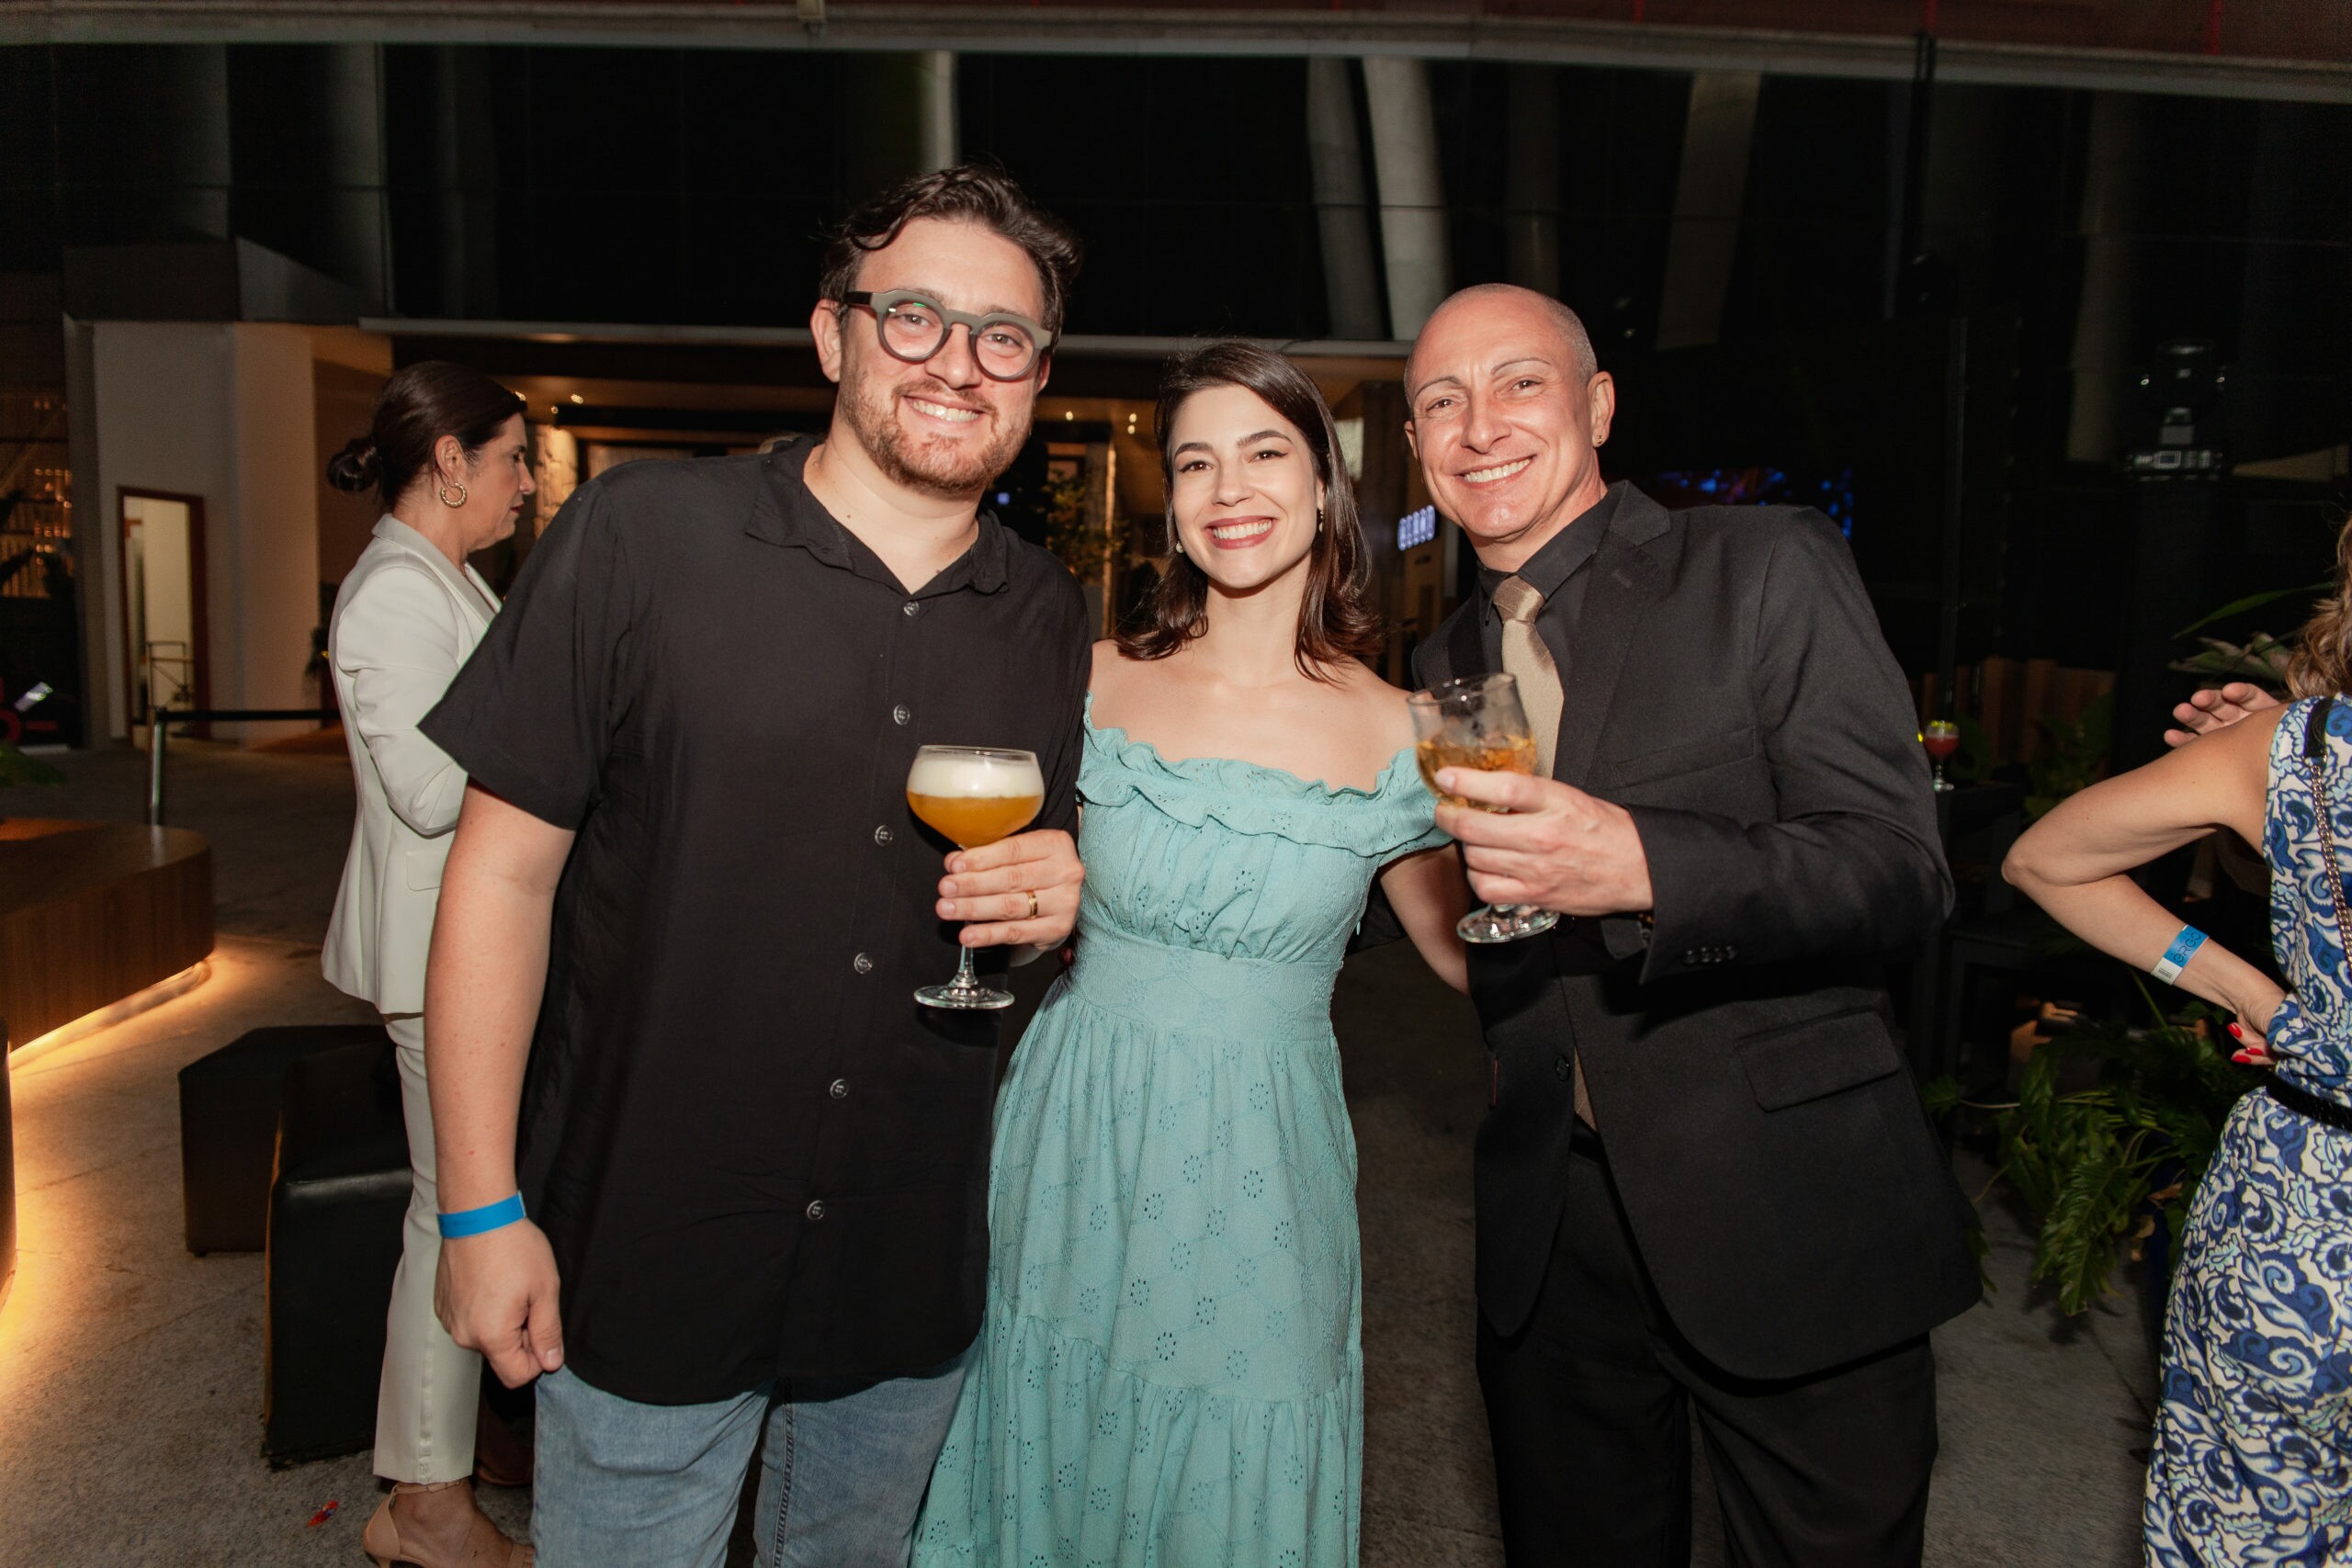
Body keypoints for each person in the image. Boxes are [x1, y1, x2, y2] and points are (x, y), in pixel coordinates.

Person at [414, 166, 1092, 1567]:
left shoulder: (1045, 612)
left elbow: (1028, 899)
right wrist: (481, 1206)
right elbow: (497, 880)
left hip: (901, 1263)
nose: (959, 363)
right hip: (654, 1238)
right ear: (831, 334)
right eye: (914, 316)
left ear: (1037, 375)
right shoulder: (642, 539)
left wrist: (1050, 914)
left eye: (1003, 335)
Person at [1405, 284, 1981, 1565]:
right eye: (1441, 400)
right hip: (1554, 1230)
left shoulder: (1762, 563)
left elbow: (1899, 869)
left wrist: (1649, 864)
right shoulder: (1446, 652)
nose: (1478, 423)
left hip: (1784, 1202)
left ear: (1598, 404)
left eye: (1518, 382)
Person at [914, 341, 1469, 1567]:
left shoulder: (1411, 731)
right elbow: (986, 871)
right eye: (1197, 461)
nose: (1231, 488)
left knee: (1245, 1421)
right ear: (1171, 500)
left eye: (1266, 451)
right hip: (1077, 1119)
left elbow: (1472, 951)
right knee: (1051, 1402)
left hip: (1265, 1154)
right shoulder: (1089, 683)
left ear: (1327, 485)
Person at [2005, 563, 2352, 1564]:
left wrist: (2255, 995)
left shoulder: (2297, 751)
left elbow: (2045, 860)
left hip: (2306, 1220)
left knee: (2250, 1527)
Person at [319, 360, 536, 1568]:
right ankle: (429, 1503)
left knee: (455, 1211)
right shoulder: (396, 591)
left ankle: (433, 1478)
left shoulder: (445, 577)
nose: (524, 482)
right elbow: (429, 782)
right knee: (456, 1216)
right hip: (432, 946)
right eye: (511, 457)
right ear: (448, 460)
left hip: (466, 937)